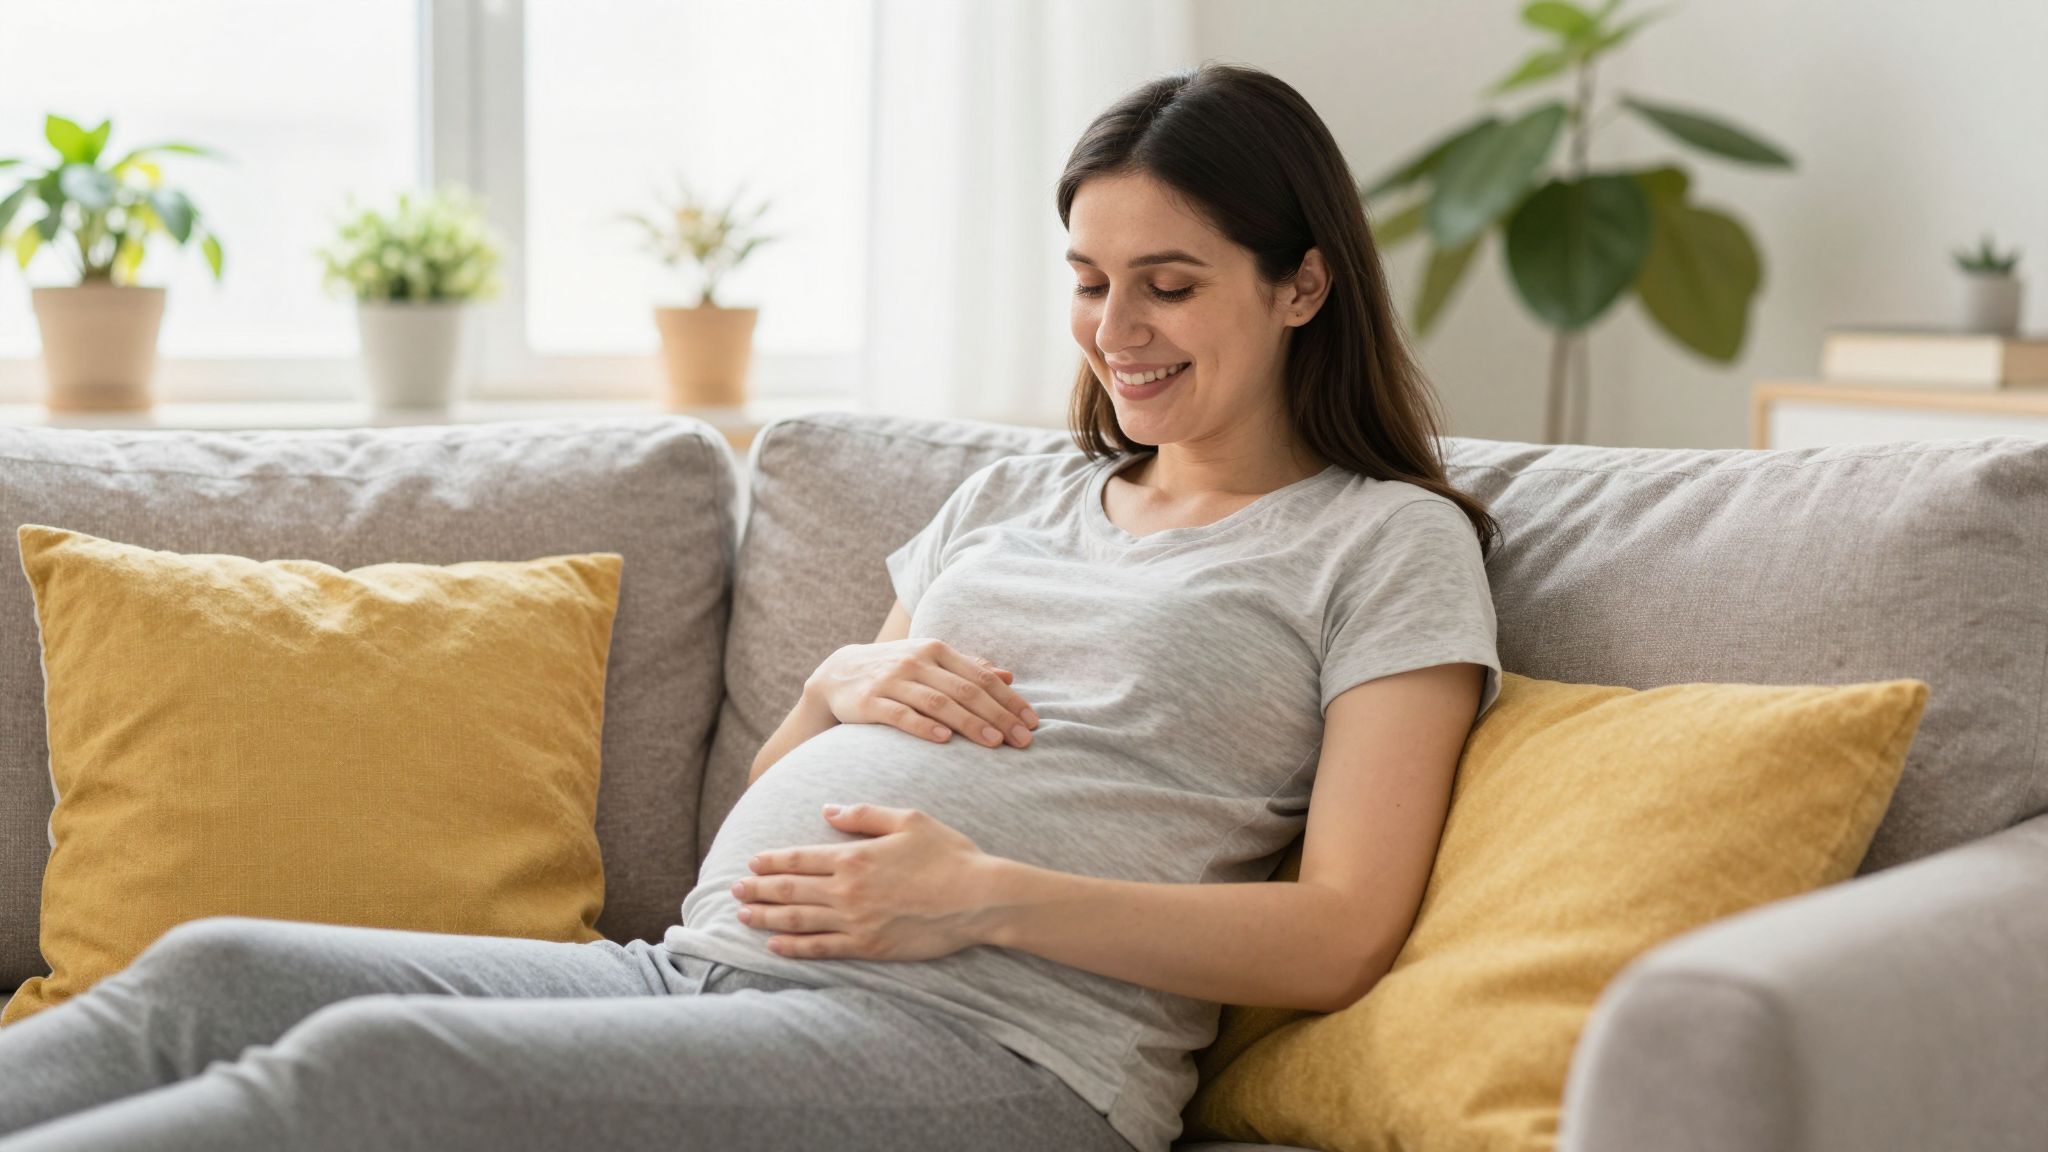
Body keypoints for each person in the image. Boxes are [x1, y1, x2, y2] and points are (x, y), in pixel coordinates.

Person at [0, 61, 1501, 1152]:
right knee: (216, 971)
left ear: (1302, 286)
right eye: (1089, 280)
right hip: (696, 973)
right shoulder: (1009, 499)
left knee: (382, 1073)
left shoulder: (1383, 543)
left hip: (995, 1048)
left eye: (1168, 284)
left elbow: (1339, 936)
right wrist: (827, 692)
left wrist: (985, 894)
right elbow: (761, 825)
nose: (1116, 330)